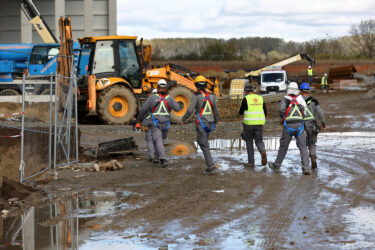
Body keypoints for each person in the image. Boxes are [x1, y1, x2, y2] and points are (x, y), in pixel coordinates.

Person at [136, 80, 181, 167]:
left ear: (157, 88)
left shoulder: (151, 98)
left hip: (155, 123)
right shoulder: (170, 98)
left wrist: (138, 121)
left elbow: (143, 110)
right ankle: (156, 159)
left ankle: (163, 160)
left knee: (158, 141)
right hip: (166, 123)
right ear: (166, 88)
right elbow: (177, 109)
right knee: (160, 141)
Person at [268, 82, 311, 175]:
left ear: (288, 89)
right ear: (297, 90)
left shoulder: (285, 98)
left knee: (284, 146)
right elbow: (305, 111)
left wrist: (283, 117)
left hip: (288, 126)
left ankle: (277, 165)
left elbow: (281, 110)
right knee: (303, 147)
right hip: (299, 126)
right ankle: (306, 168)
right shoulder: (300, 99)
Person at [181, 75, 220, 174]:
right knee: (202, 142)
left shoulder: (196, 96)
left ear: (196, 85)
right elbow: (216, 111)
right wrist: (215, 122)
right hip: (210, 124)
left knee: (204, 145)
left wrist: (183, 119)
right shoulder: (211, 96)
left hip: (201, 123)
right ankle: (210, 163)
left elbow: (190, 110)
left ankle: (211, 167)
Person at [238, 84, 267, 168]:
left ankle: (251, 162)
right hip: (259, 123)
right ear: (253, 91)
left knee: (249, 142)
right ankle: (262, 151)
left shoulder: (246, 99)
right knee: (259, 141)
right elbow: (265, 112)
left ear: (246, 91)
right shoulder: (260, 98)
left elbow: (240, 112)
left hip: (248, 124)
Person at [299, 82, 326, 169]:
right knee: (312, 143)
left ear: (300, 90)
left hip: (301, 125)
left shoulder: (297, 101)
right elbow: (320, 113)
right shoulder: (314, 101)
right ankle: (313, 157)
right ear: (308, 91)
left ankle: (305, 162)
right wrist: (323, 123)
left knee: (302, 144)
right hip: (312, 124)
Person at [140, 88, 158, 162]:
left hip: (148, 122)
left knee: (149, 139)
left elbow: (143, 111)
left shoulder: (148, 101)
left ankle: (152, 155)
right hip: (158, 123)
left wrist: (139, 121)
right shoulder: (162, 101)